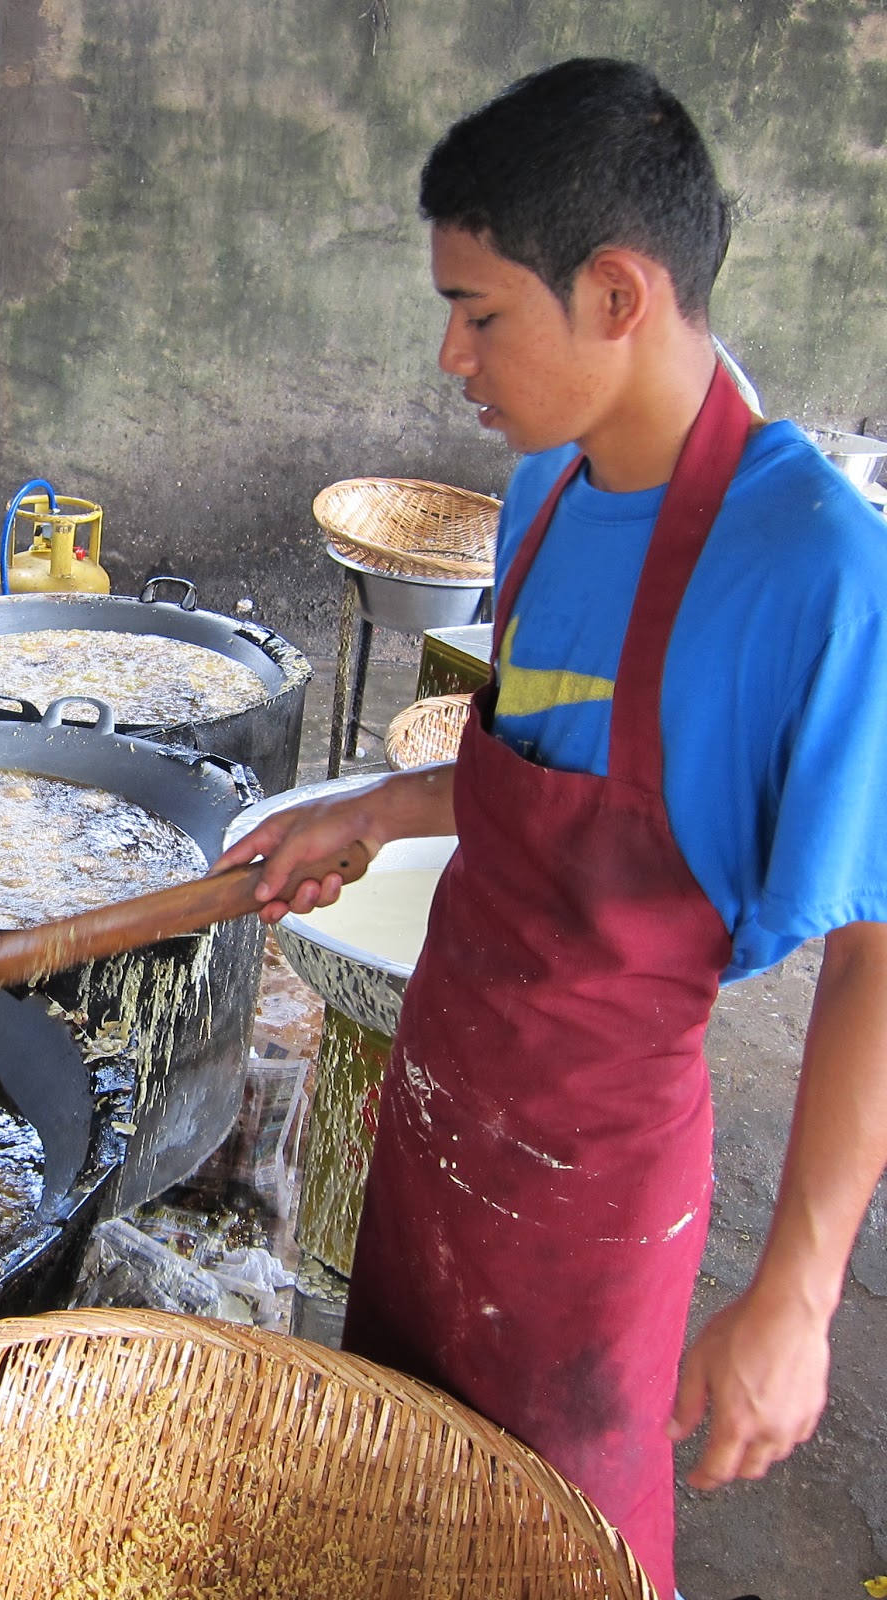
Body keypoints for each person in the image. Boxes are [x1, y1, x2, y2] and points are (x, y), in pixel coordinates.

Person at [215, 57, 887, 1596]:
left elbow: (872, 959)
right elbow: (535, 769)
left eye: (482, 310)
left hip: (590, 1205)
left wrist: (798, 1291)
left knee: (553, 1555)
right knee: (397, 1514)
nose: (449, 353)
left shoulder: (815, 570)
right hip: (437, 1130)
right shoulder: (542, 497)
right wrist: (377, 809)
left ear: (619, 293)